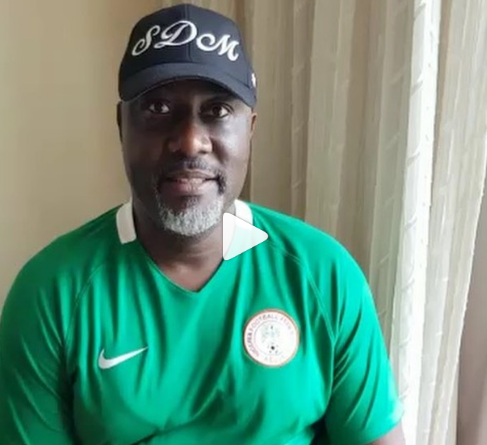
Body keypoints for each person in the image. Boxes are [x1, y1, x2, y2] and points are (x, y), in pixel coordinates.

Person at [0, 3, 405, 445]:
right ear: (121, 127)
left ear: (250, 129)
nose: (190, 140)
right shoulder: (52, 291)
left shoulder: (323, 274)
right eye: (158, 108)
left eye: (217, 110)